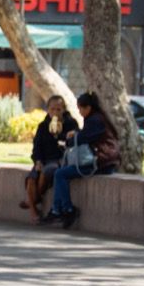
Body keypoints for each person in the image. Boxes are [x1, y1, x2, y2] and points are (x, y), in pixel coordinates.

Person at [42, 91, 119, 229]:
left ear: (88, 108)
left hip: (100, 162)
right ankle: (57, 210)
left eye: (80, 109)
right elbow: (85, 135)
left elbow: (82, 138)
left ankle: (66, 209)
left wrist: (70, 139)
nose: (79, 112)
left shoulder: (95, 120)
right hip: (100, 160)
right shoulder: (97, 118)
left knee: (60, 174)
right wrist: (77, 133)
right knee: (61, 172)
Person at [20, 95, 78, 223]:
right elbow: (37, 147)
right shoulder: (43, 126)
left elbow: (72, 142)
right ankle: (33, 210)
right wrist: (38, 161)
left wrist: (60, 135)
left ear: (63, 110)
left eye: (58, 109)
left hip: (59, 159)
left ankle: (33, 200)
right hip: (44, 159)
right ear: (48, 109)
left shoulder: (70, 124)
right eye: (52, 109)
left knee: (46, 172)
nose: (55, 112)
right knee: (31, 178)